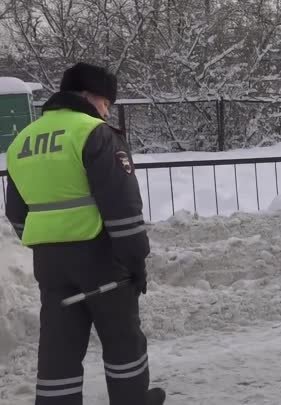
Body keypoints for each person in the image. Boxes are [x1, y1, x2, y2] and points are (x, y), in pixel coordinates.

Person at [3, 62, 165, 405]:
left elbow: (17, 214)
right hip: (101, 257)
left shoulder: (23, 141)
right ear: (91, 97)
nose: (107, 112)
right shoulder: (95, 133)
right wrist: (135, 262)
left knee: (59, 345)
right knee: (122, 338)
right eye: (107, 103)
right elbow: (122, 207)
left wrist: (49, 243)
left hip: (49, 263)